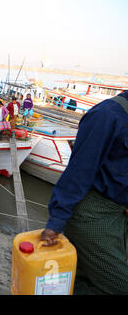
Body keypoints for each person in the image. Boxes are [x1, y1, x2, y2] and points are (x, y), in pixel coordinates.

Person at [40, 91, 128, 295]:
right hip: (92, 213)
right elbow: (79, 171)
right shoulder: (106, 115)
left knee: (86, 279)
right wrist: (56, 223)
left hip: (119, 215)